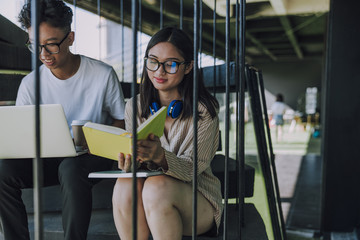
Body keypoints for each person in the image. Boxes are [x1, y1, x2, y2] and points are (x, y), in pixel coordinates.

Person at [0, 1, 125, 239]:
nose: (43, 54)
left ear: (70, 38)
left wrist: (96, 141)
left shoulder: (102, 74)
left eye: (51, 45)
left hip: (93, 155)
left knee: (70, 167)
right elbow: (21, 134)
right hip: (48, 158)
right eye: (35, 45)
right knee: (2, 171)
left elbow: (121, 121)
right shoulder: (30, 84)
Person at [112, 27, 223, 240]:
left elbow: (192, 170)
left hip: (197, 202)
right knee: (125, 182)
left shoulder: (204, 112)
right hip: (147, 199)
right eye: (153, 61)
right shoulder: (134, 107)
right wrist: (129, 160)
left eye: (170, 64)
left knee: (157, 186)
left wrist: (160, 157)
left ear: (188, 66)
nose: (159, 72)